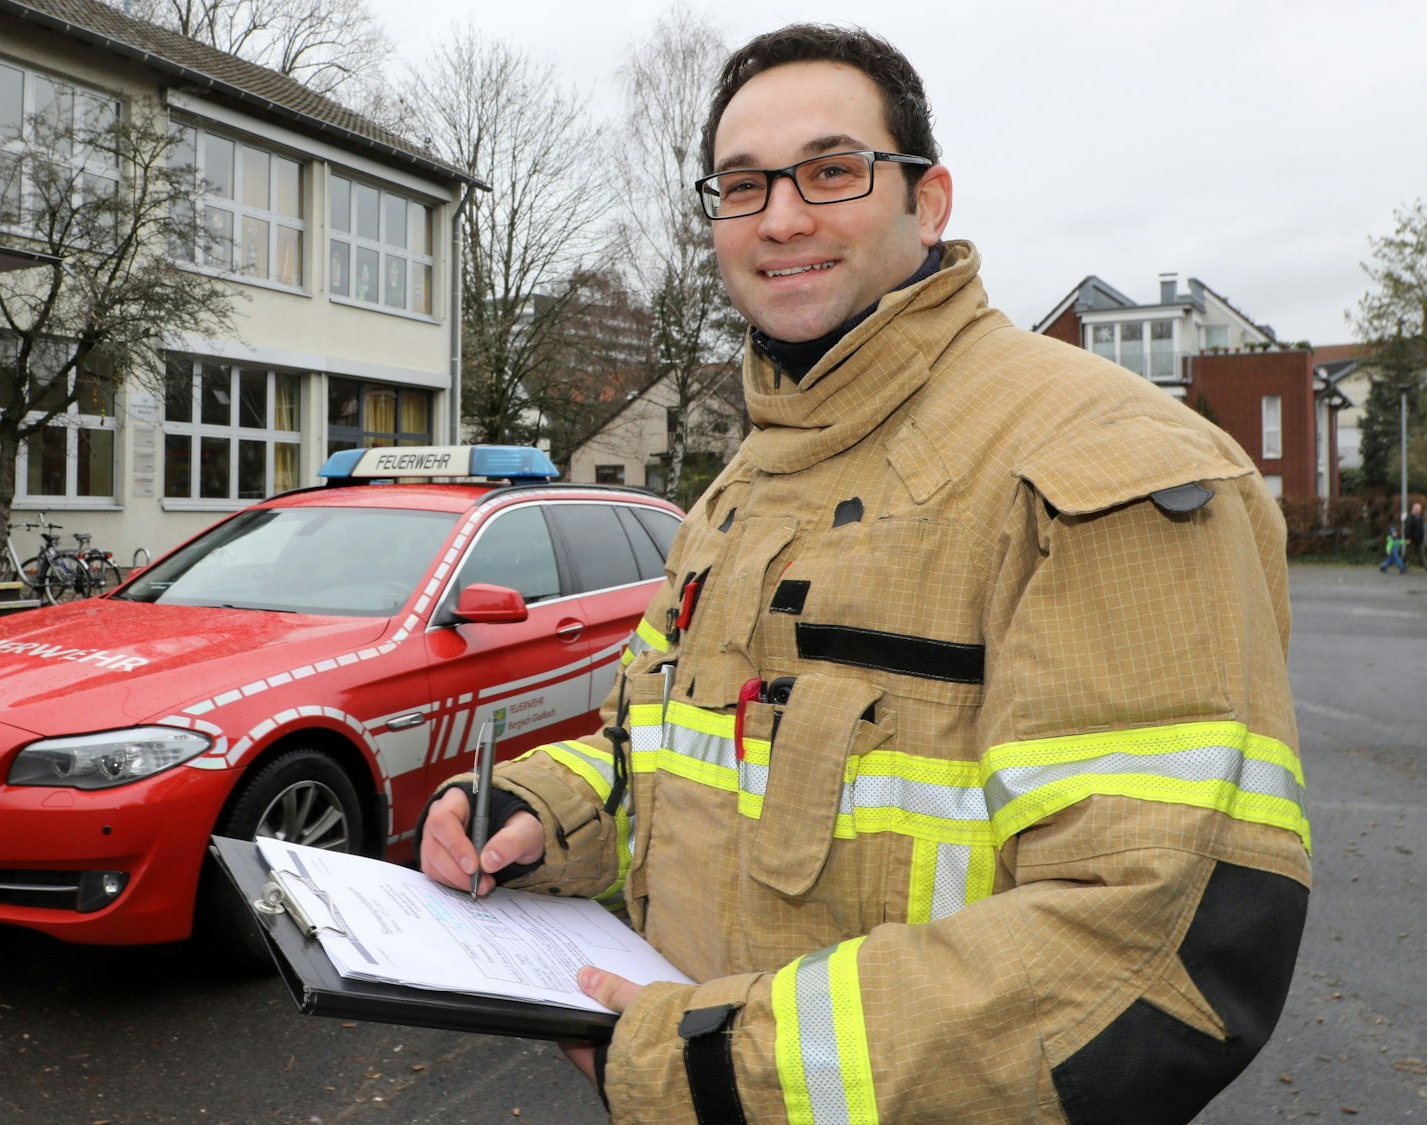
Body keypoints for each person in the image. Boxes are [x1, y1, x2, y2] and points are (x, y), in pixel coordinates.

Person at [417, 23, 1310, 1124]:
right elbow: (661, 758)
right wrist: (536, 812)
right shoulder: (739, 487)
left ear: (927, 202)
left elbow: (1149, 951)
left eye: (832, 171)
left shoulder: (1103, 465)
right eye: (742, 185)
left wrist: (706, 1068)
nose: (781, 217)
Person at [1406, 500, 1424, 569]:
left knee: (1421, 554)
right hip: (1411, 540)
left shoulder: (1420, 518)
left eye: (1419, 509)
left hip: (1419, 540)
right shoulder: (1410, 518)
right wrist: (1408, 538)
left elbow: (1421, 529)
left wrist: (1421, 538)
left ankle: (1425, 565)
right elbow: (1407, 529)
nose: (1418, 511)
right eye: (1417, 509)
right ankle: (1402, 565)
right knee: (1407, 554)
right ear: (1413, 510)